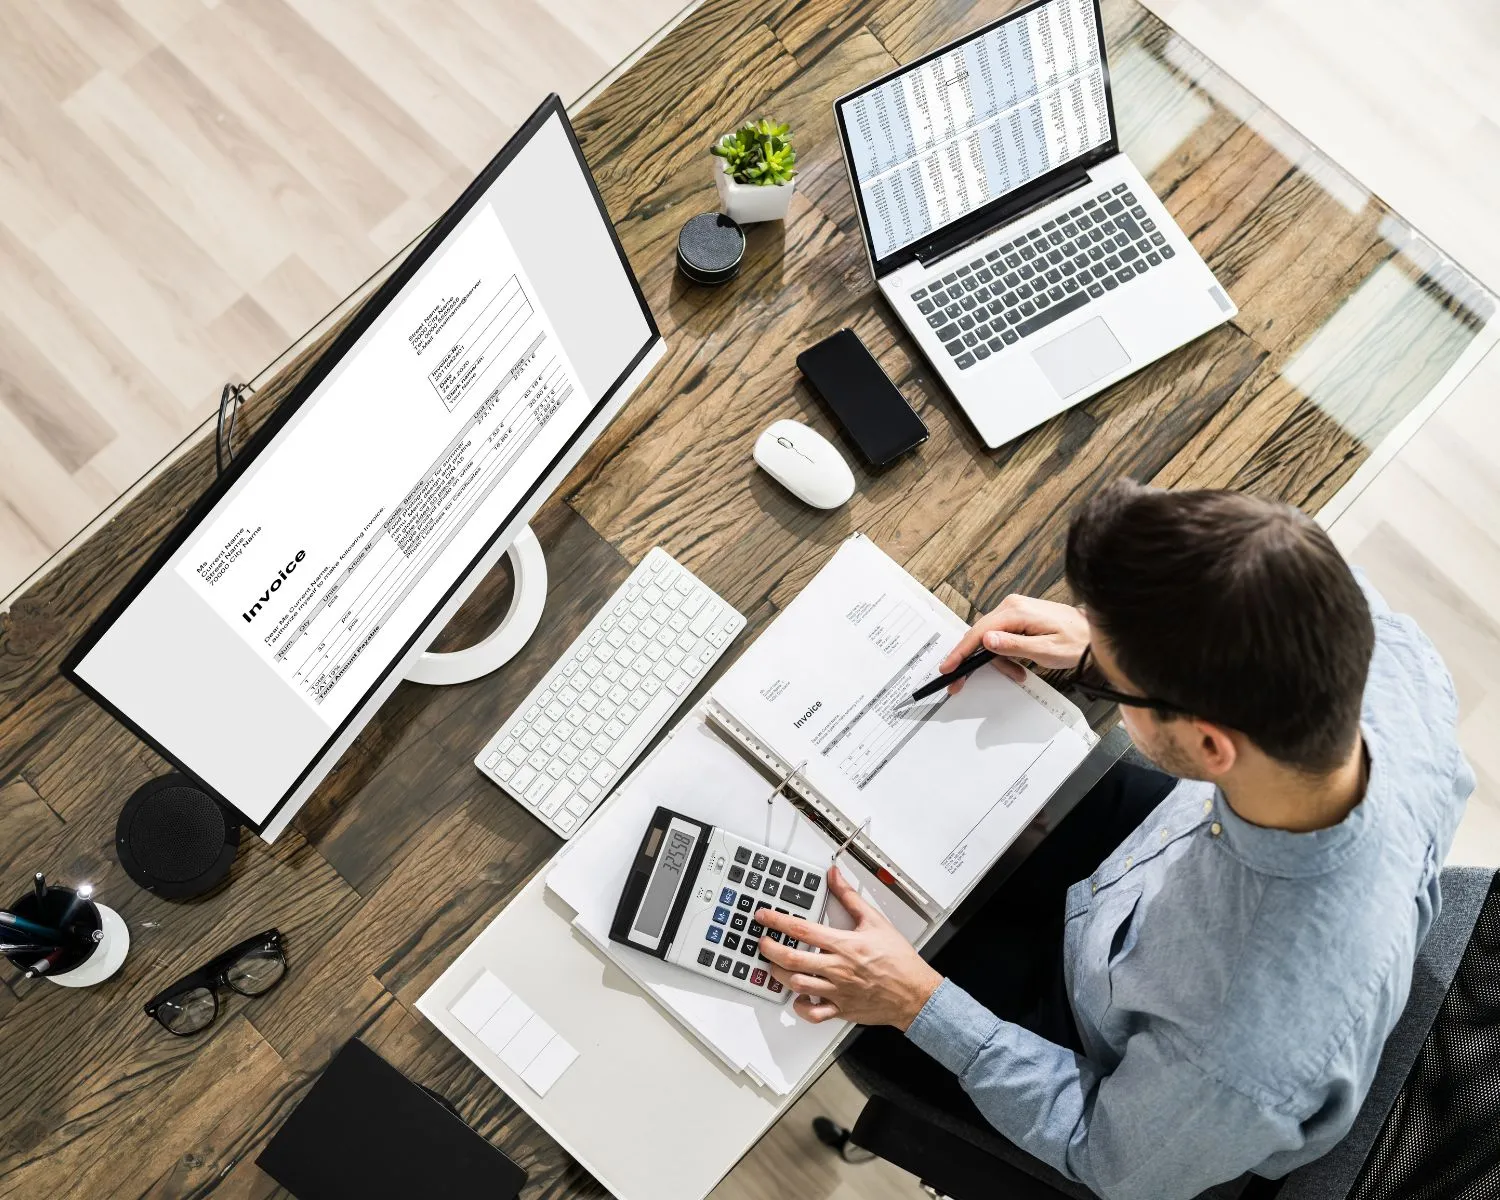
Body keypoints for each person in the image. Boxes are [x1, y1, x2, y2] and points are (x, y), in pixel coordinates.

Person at [755, 479, 1473, 1200]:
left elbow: (1107, 1157)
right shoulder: (1382, 654)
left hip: (1107, 1053)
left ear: (1211, 744)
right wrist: (1111, 648)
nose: (1106, 676)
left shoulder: (1241, 1049)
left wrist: (914, 1001)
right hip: (1153, 871)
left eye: (1125, 690)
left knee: (839, 983)